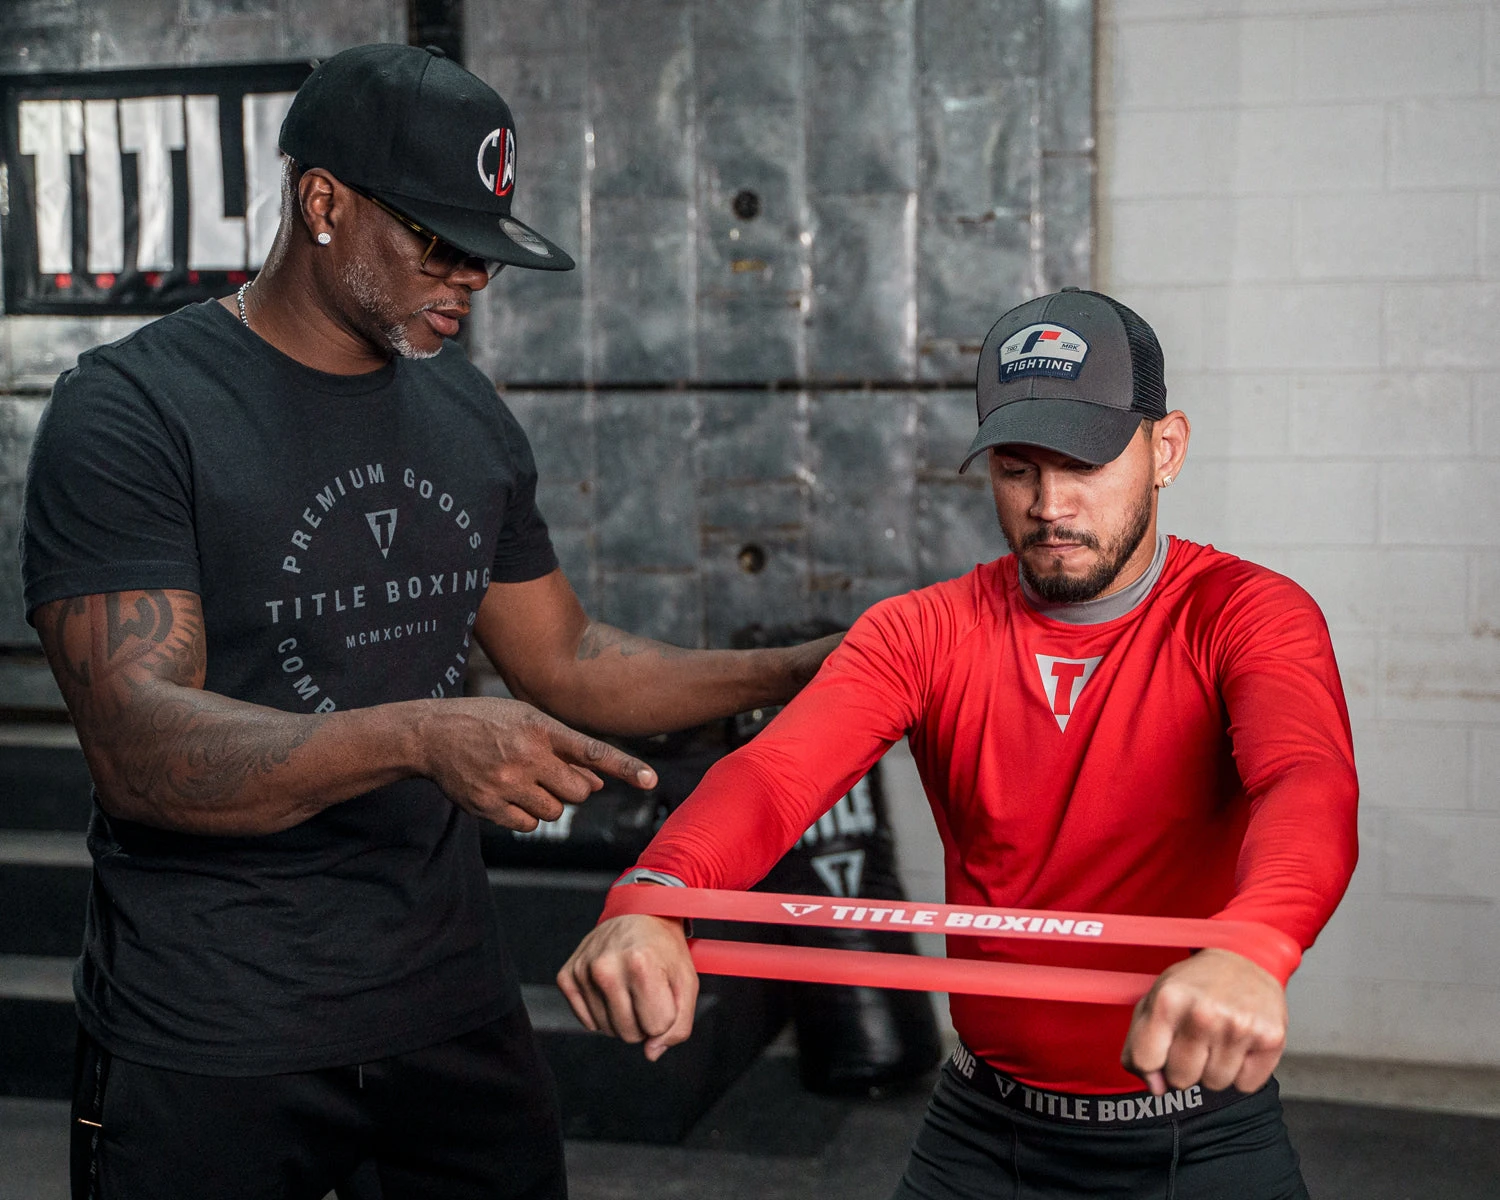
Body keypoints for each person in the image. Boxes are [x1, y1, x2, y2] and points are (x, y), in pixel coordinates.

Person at [21, 43, 838, 1200]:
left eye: (487, 249)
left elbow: (569, 656)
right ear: (323, 204)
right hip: (216, 1023)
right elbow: (140, 748)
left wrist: (811, 668)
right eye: (439, 244)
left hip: (445, 1005)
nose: (474, 278)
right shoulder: (134, 411)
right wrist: (419, 734)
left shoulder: (463, 405)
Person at [559, 288, 1360, 1199]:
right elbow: (777, 775)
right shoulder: (921, 631)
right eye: (1018, 470)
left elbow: (1305, 780)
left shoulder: (1247, 614)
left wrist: (1254, 945)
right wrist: (660, 895)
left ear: (1165, 450)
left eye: (1085, 464)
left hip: (1203, 1134)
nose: (1050, 505)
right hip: (984, 1132)